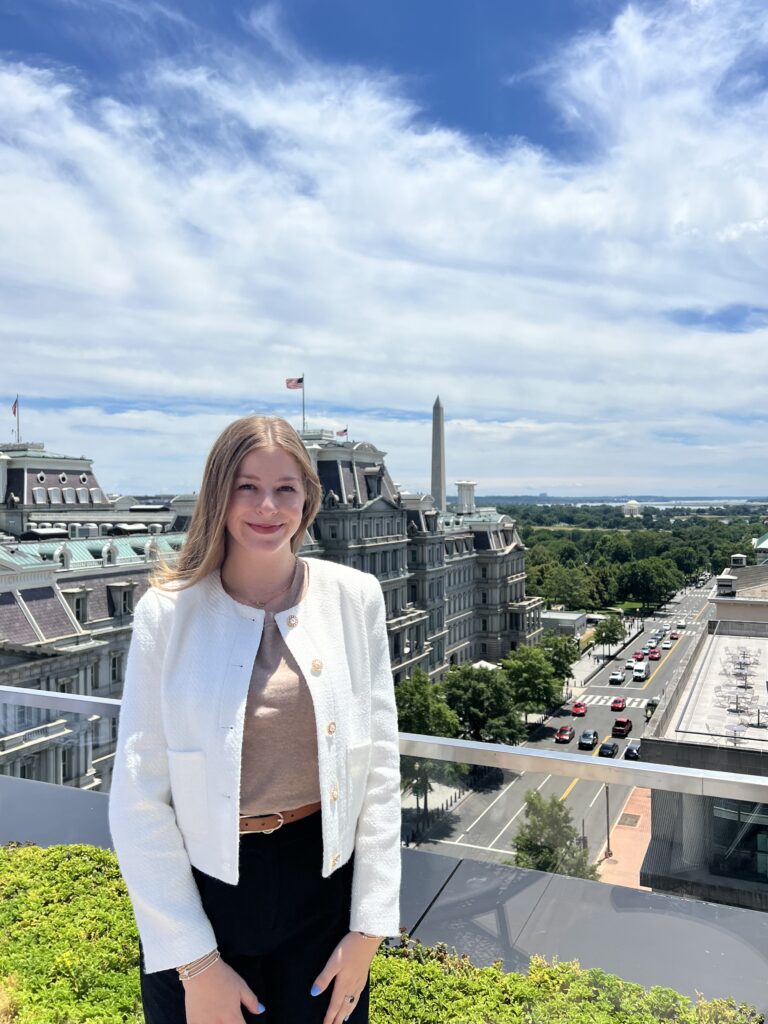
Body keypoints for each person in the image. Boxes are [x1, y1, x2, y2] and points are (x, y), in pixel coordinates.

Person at [108, 415, 402, 1024]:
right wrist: (194, 962)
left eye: (285, 488)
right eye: (246, 487)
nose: (267, 506)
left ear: (307, 500)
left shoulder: (355, 598)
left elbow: (377, 771)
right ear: (219, 494)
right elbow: (138, 795)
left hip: (322, 883)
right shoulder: (167, 614)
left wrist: (369, 931)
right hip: (206, 888)